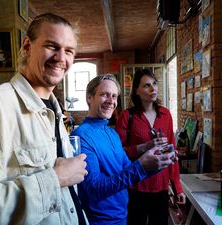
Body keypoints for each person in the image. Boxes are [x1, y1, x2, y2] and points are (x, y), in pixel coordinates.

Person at [0, 13, 88, 225]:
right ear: (27, 46)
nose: (61, 58)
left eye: (69, 51)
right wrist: (55, 179)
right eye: (52, 46)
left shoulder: (55, 111)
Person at [71, 74, 176, 225]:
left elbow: (128, 170)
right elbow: (93, 189)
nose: (111, 101)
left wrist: (158, 161)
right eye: (104, 94)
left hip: (122, 216)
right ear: (89, 98)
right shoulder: (81, 136)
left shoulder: (112, 133)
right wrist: (141, 167)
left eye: (114, 96)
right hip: (100, 221)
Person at [115, 68, 186, 225]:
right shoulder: (127, 116)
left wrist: (177, 187)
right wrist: (142, 147)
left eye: (154, 83)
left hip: (161, 187)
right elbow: (117, 154)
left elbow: (172, 152)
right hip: (135, 186)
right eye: (147, 85)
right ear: (137, 91)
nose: (153, 88)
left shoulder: (165, 114)